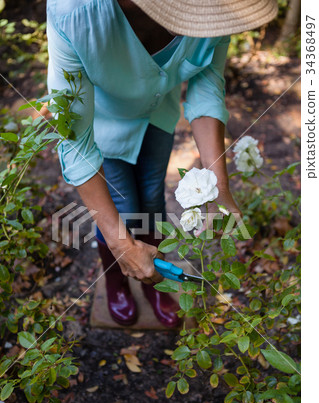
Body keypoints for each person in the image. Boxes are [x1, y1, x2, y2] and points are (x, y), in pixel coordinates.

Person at [47, 0, 278, 327]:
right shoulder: (72, 13)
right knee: (123, 211)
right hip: (103, 125)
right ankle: (118, 279)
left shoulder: (218, 10)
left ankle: (155, 282)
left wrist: (219, 187)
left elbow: (207, 87)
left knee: (152, 199)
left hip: (158, 116)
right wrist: (120, 243)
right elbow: (73, 137)